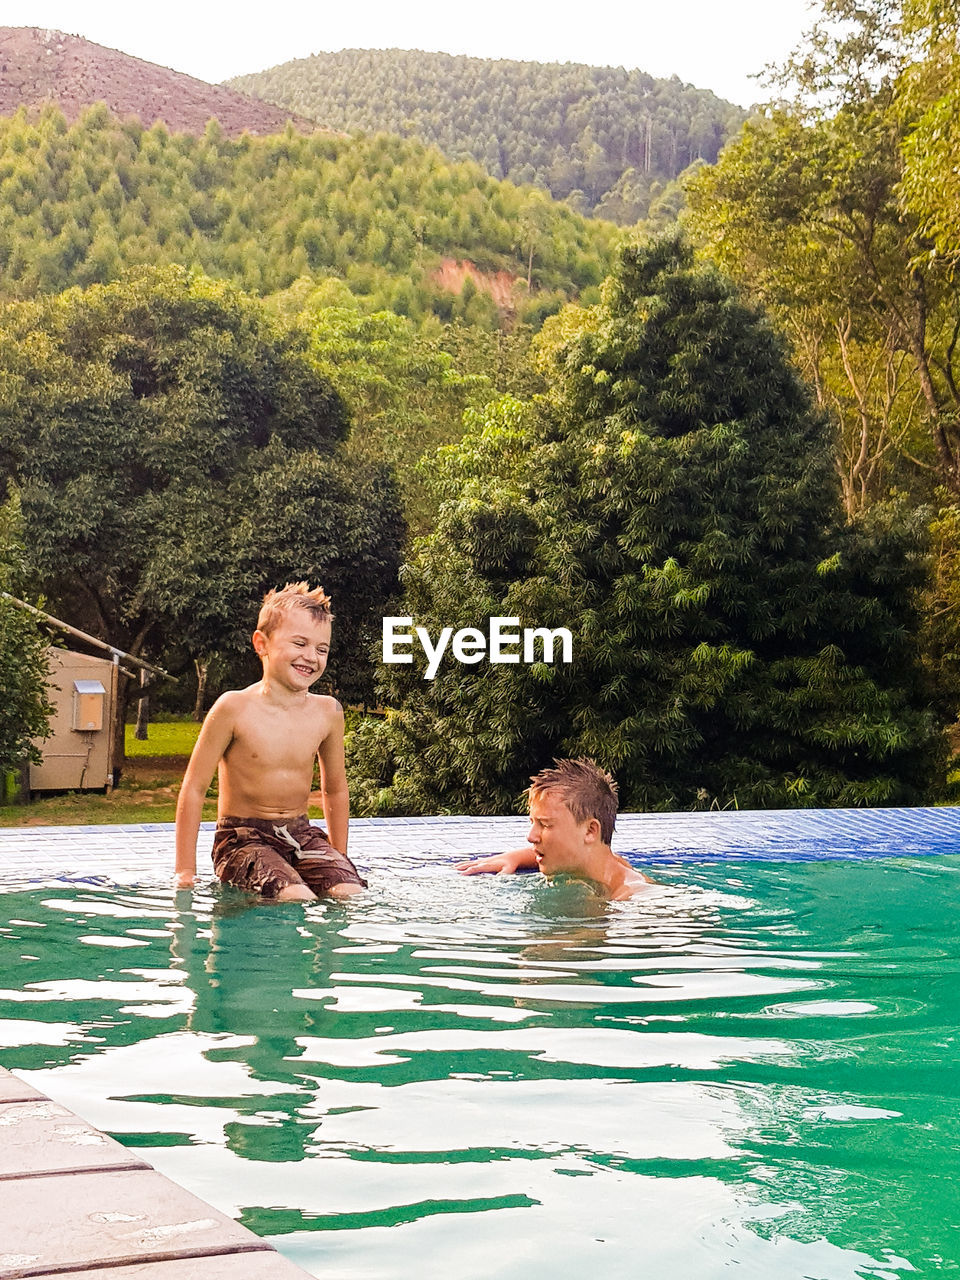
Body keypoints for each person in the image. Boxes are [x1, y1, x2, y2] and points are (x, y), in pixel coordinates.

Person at [174, 582, 366, 901]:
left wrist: (338, 858)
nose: (311, 657)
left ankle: (332, 950)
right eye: (300, 643)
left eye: (321, 649)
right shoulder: (232, 708)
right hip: (241, 839)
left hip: (301, 834)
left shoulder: (328, 712)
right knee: (295, 897)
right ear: (262, 644)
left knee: (350, 892)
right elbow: (193, 788)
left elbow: (335, 788)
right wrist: (185, 870)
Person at [456, 758, 651, 900]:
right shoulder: (605, 863)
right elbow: (579, 853)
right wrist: (514, 857)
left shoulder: (632, 899)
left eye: (545, 825)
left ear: (590, 831)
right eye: (532, 822)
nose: (531, 836)